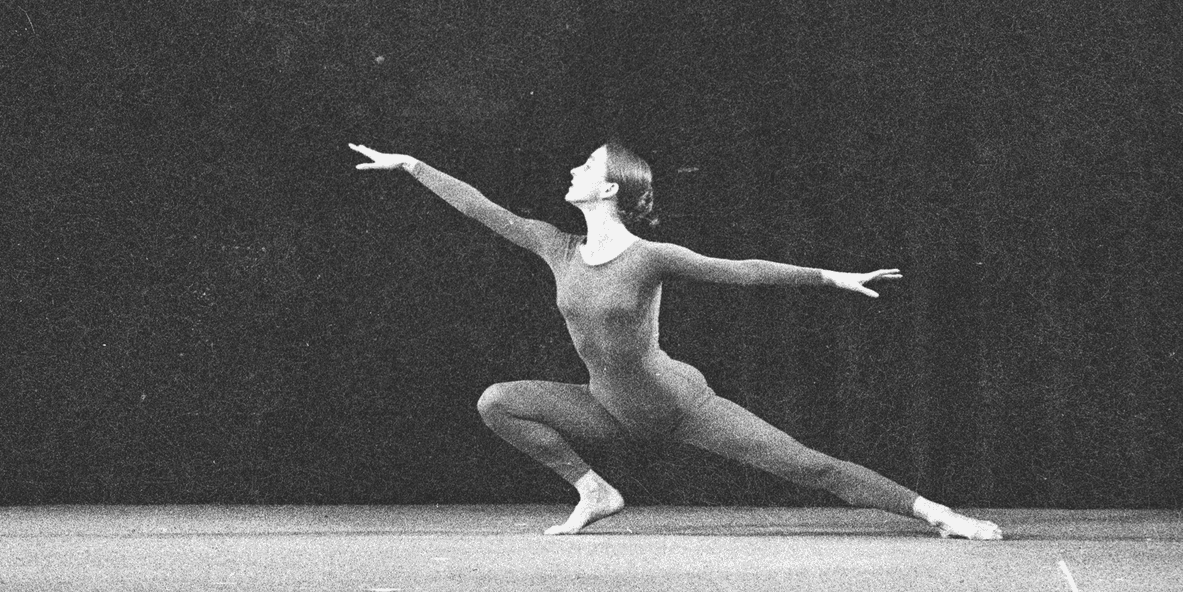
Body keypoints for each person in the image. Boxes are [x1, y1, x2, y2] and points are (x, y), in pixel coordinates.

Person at [348, 141, 1003, 540]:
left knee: (810, 467)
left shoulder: (649, 257)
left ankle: (938, 513)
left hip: (679, 405)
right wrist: (411, 165)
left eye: (586, 166)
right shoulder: (556, 245)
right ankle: (595, 492)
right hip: (607, 407)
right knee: (498, 401)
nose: (572, 170)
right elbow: (481, 209)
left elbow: (740, 272)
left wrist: (832, 277)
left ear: (607, 188)